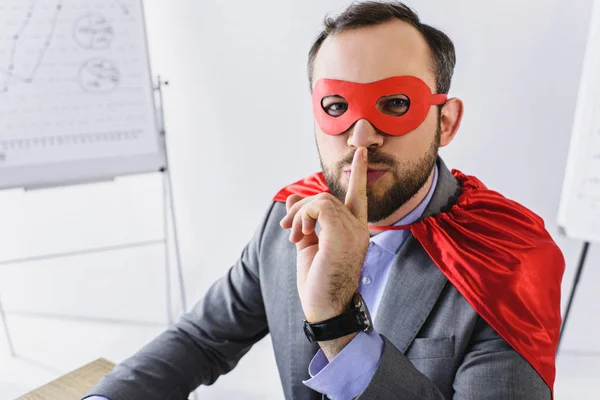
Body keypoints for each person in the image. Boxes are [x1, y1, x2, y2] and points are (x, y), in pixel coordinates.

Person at [84, 2, 564, 399]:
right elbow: (201, 340)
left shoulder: (504, 256)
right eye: (337, 107)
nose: (360, 138)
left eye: (396, 104)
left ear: (447, 122)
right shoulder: (289, 216)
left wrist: (340, 326)